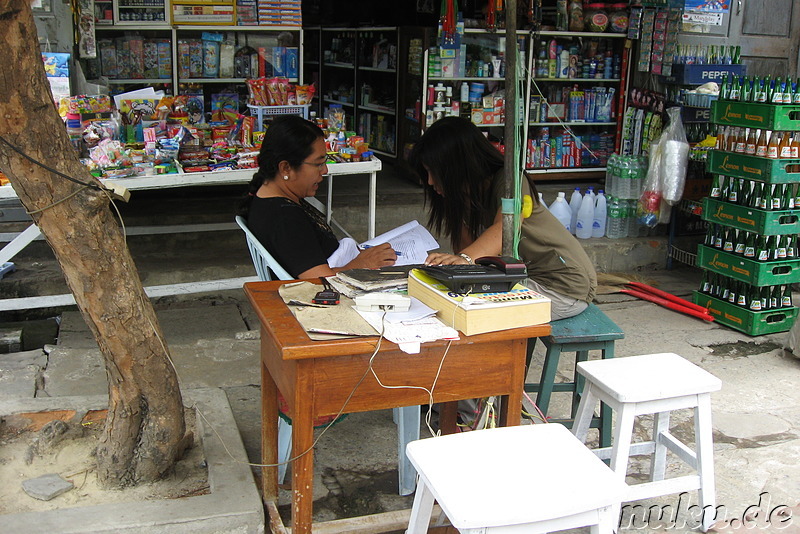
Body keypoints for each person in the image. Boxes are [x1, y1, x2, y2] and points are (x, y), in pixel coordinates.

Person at [408, 116, 596, 320]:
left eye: (433, 172)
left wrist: (464, 258)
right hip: (524, 278)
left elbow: (505, 228)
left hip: (560, 287)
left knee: (465, 312)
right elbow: (469, 262)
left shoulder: (510, 181)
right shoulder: (464, 194)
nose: (430, 181)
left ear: (457, 166)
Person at [239, 115, 396, 279]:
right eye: (318, 163)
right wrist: (362, 263)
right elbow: (318, 281)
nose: (325, 170)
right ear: (286, 168)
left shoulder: (272, 198)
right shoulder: (284, 219)